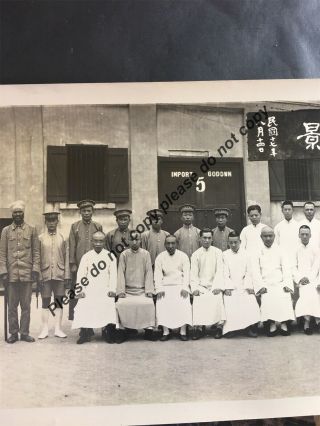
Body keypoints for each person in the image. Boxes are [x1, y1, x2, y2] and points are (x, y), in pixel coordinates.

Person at [0, 200, 40, 343]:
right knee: (12, 306)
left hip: (26, 274)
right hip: (11, 275)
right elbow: (2, 253)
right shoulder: (5, 231)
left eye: (20, 212)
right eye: (15, 212)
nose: (18, 214)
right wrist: (3, 272)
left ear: (23, 213)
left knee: (25, 306)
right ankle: (13, 333)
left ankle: (24, 333)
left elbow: (36, 252)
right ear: (12, 214)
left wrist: (35, 269)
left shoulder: (31, 229)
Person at [72, 231, 118, 344]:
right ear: (92, 242)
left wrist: (112, 289)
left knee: (108, 303)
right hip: (89, 289)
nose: (98, 243)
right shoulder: (86, 256)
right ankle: (85, 333)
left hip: (105, 289)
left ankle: (107, 332)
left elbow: (113, 275)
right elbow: (81, 275)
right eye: (96, 241)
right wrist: (81, 290)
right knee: (82, 304)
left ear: (104, 242)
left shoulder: (110, 256)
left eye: (101, 241)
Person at [252, 226, 295, 336]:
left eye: (270, 236)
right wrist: (261, 286)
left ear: (274, 236)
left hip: (280, 283)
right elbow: (255, 271)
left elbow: (286, 269)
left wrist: (286, 284)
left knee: (283, 297)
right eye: (265, 236)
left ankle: (284, 323)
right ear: (261, 237)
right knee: (268, 298)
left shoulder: (281, 250)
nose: (268, 238)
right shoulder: (257, 252)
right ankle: (271, 324)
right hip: (265, 284)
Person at [116, 233, 156, 343]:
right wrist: (121, 291)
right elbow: (120, 273)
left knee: (148, 303)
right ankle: (123, 330)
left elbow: (149, 272)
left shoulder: (146, 254)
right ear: (128, 240)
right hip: (128, 291)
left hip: (142, 290)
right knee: (121, 304)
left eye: (136, 239)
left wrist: (149, 291)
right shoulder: (124, 254)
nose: (134, 242)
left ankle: (148, 331)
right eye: (132, 239)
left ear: (140, 240)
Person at [68, 199, 103, 321]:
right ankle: (80, 322)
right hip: (78, 266)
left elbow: (101, 244)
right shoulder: (75, 226)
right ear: (80, 212)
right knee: (79, 291)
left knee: (93, 292)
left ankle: (93, 320)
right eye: (84, 211)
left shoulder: (97, 226)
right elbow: (72, 245)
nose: (86, 213)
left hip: (94, 266)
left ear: (92, 212)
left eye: (88, 210)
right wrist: (72, 264)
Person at [38, 209, 70, 339]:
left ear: (57, 221)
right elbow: (37, 257)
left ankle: (58, 328)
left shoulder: (63, 237)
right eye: (49, 221)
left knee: (59, 301)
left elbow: (67, 257)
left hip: (59, 273)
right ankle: (45, 329)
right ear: (45, 222)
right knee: (45, 301)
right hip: (45, 274)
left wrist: (67, 275)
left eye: (54, 220)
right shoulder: (40, 238)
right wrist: (39, 275)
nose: (51, 223)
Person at [222, 231, 260, 337]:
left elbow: (249, 272)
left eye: (235, 242)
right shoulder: (225, 255)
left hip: (244, 284)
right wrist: (228, 287)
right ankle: (233, 329)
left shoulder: (247, 254)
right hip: (231, 285)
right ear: (228, 243)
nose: (233, 245)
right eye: (231, 243)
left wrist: (248, 286)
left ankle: (249, 328)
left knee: (249, 300)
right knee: (230, 300)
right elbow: (225, 273)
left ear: (240, 242)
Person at [154, 234, 192, 341]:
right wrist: (159, 289)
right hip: (165, 286)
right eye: (168, 243)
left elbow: (187, 273)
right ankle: (166, 331)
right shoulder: (160, 257)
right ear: (165, 244)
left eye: (173, 243)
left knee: (184, 301)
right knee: (161, 301)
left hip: (180, 285)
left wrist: (185, 287)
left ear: (177, 244)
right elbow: (157, 275)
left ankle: (183, 331)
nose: (170, 246)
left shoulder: (183, 256)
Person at [190, 228, 226, 340]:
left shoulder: (218, 252)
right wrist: (195, 288)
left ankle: (219, 327)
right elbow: (194, 274)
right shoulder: (196, 254)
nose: (207, 240)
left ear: (212, 239)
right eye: (204, 238)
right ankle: (199, 327)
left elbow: (220, 271)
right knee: (198, 299)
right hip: (201, 286)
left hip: (214, 285)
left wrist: (217, 286)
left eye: (209, 238)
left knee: (217, 298)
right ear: (200, 239)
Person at [293, 225, 320, 335]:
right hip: (301, 281)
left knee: (314, 292)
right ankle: (307, 323)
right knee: (306, 293)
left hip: (313, 279)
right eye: (302, 234)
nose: (304, 236)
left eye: (306, 234)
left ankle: (316, 321)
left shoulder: (316, 249)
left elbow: (316, 266)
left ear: (310, 235)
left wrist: (310, 279)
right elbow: (293, 266)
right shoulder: (295, 249)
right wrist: (300, 278)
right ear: (299, 235)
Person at [274, 200, 299, 268]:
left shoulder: (298, 225)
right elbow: (276, 244)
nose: (287, 211)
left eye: (289, 209)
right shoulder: (278, 227)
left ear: (292, 210)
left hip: (295, 256)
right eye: (285, 209)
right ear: (282, 211)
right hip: (283, 257)